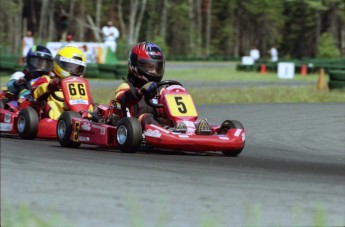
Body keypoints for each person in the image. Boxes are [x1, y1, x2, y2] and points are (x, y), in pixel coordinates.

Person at [114, 41, 210, 135]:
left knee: (171, 105)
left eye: (158, 67)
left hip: (157, 122)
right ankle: (168, 134)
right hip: (136, 125)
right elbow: (123, 99)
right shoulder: (126, 86)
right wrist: (140, 92)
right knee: (146, 117)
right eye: (150, 67)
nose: (155, 71)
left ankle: (189, 126)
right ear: (135, 65)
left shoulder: (160, 89)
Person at [31, 46, 90, 120]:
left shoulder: (79, 84)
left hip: (76, 110)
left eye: (78, 68)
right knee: (51, 104)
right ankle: (63, 122)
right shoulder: (47, 79)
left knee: (91, 106)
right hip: (56, 113)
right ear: (59, 64)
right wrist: (50, 86)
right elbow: (34, 93)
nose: (74, 71)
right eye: (71, 67)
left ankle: (88, 121)